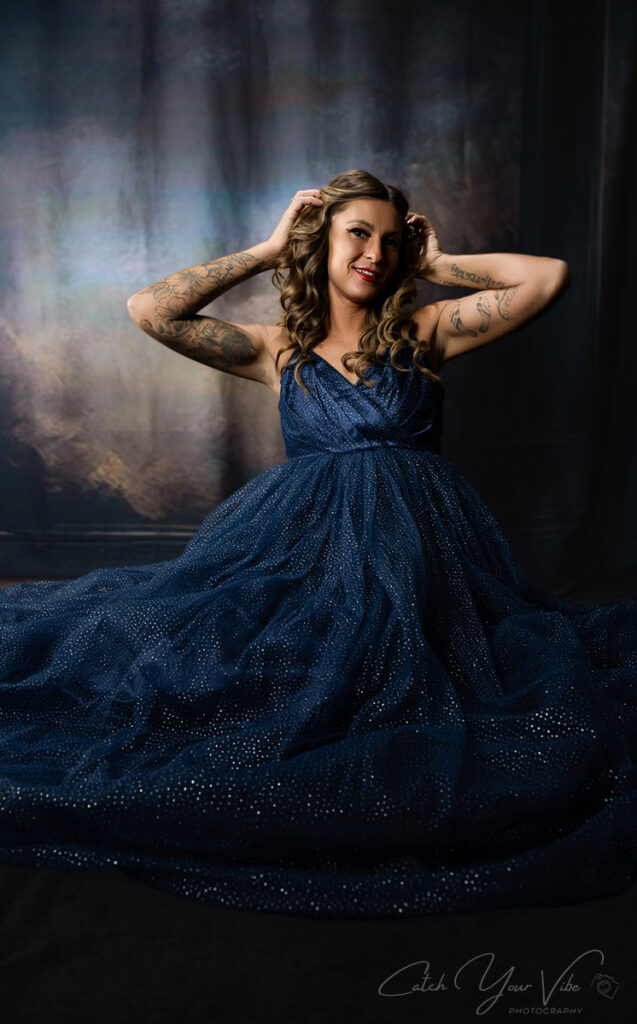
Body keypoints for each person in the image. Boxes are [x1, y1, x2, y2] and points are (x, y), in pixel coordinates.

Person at [0, 169, 635, 921]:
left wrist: (437, 263)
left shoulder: (426, 332)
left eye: (390, 241)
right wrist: (270, 249)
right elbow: (151, 309)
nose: (375, 253)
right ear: (320, 243)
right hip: (305, 545)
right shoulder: (277, 350)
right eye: (357, 234)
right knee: (270, 666)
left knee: (437, 670)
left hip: (423, 546)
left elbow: (547, 277)